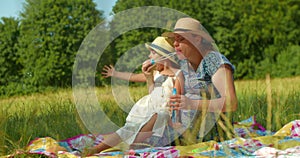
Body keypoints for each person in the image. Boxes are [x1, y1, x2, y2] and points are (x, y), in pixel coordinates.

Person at [82, 36, 184, 156]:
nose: (149, 57)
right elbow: (136, 79)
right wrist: (146, 78)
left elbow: (176, 100)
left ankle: (130, 147)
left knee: (159, 115)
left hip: (164, 115)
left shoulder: (178, 74)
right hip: (149, 109)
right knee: (130, 128)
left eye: (153, 53)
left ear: (164, 56)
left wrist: (176, 121)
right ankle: (97, 149)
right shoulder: (156, 73)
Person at [160, 17, 238, 144]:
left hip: (213, 136)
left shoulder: (214, 61)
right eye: (174, 39)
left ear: (197, 39)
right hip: (187, 132)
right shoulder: (186, 64)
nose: (175, 44)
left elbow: (231, 103)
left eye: (181, 39)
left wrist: (191, 103)